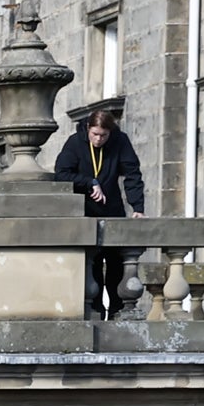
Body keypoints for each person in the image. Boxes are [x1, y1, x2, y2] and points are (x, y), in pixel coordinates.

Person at [55, 107, 145, 314]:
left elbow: (132, 174)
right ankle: (94, 312)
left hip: (112, 210)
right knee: (91, 266)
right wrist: (89, 182)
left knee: (116, 265)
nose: (98, 140)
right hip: (85, 212)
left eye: (104, 135)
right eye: (95, 134)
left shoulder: (120, 141)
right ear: (88, 129)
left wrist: (138, 207)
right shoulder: (75, 143)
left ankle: (116, 311)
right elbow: (61, 174)